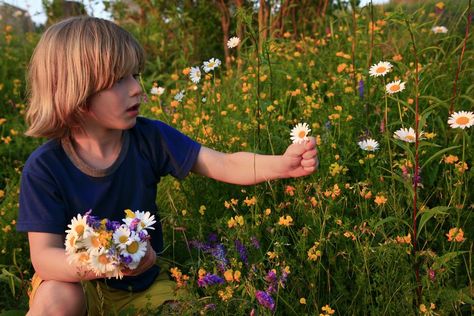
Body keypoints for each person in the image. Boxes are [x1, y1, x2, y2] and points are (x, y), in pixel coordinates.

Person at [17, 16, 318, 316]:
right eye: (120, 80)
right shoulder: (45, 167)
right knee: (56, 300)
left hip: (141, 285)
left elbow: (224, 163)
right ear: (77, 92)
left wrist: (282, 165)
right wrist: (105, 263)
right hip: (76, 283)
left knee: (184, 309)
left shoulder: (150, 138)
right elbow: (44, 257)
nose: (137, 88)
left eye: (135, 75)